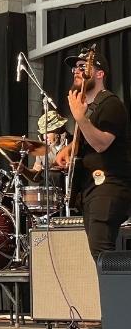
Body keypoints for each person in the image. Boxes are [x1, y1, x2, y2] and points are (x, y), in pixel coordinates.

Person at [55, 48, 131, 260]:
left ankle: (115, 294)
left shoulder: (111, 104)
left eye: (82, 67)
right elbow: (89, 138)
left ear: (99, 74)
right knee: (99, 254)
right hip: (92, 190)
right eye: (74, 68)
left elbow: (101, 143)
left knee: (102, 255)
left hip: (108, 187)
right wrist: (69, 149)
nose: (76, 71)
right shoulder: (91, 108)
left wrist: (79, 118)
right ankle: (111, 293)